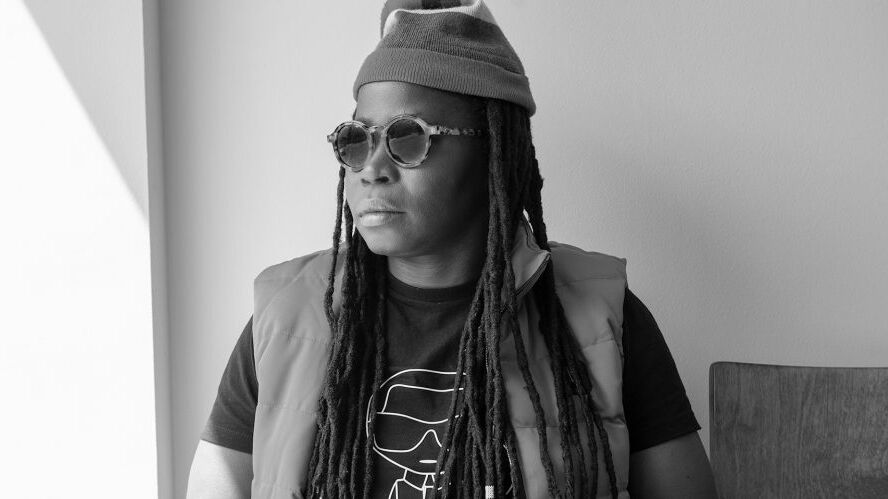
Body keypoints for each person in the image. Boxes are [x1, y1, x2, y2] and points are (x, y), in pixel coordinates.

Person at [187, 1, 718, 498]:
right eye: (356, 140)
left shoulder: (600, 315)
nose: (372, 168)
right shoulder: (285, 315)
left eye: (407, 137)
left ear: (493, 152)